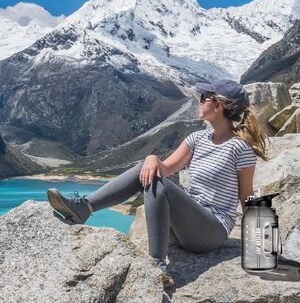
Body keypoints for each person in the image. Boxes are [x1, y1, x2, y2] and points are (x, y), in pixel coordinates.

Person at [46, 79, 269, 289]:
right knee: (148, 168)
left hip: (212, 230)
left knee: (158, 183)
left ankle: (157, 264)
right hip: (187, 225)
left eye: (205, 96)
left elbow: (246, 195)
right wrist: (152, 159)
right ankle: (84, 207)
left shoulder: (240, 148)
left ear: (219, 105)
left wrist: (260, 244)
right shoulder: (196, 140)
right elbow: (166, 168)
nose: (200, 100)